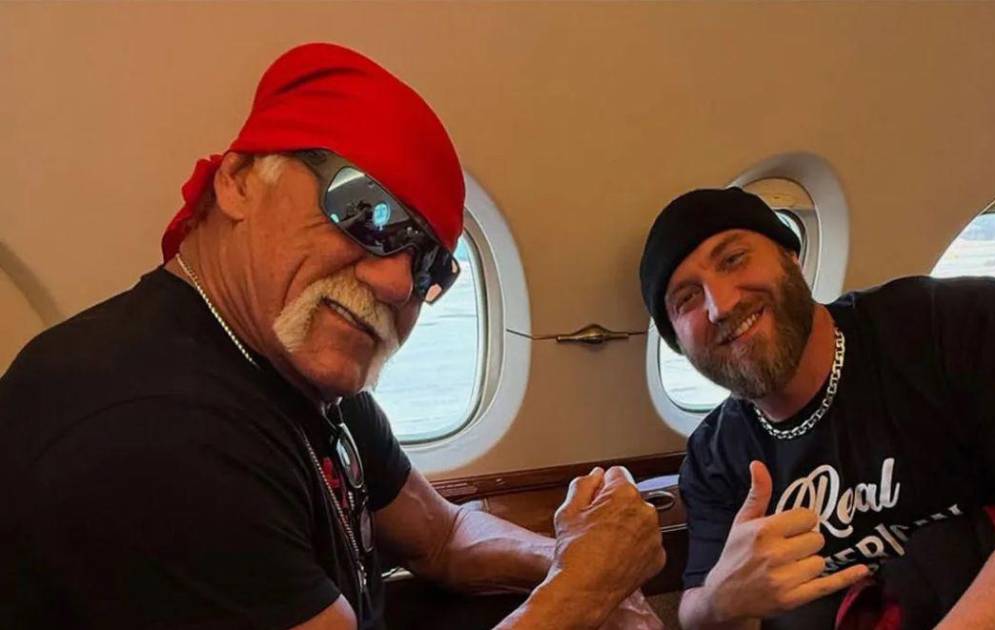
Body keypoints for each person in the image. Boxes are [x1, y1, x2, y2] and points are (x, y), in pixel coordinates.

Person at [0, 43, 664, 629]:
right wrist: (583, 590)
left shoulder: (294, 374)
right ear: (238, 182)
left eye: (430, 266)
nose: (398, 283)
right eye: (367, 212)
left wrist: (578, 557)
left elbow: (444, 535)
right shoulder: (148, 431)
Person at [637, 188, 995, 629]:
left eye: (733, 259)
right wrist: (722, 600)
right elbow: (698, 607)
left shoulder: (955, 325)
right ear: (678, 341)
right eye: (687, 299)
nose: (721, 305)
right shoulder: (714, 457)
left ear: (791, 256)